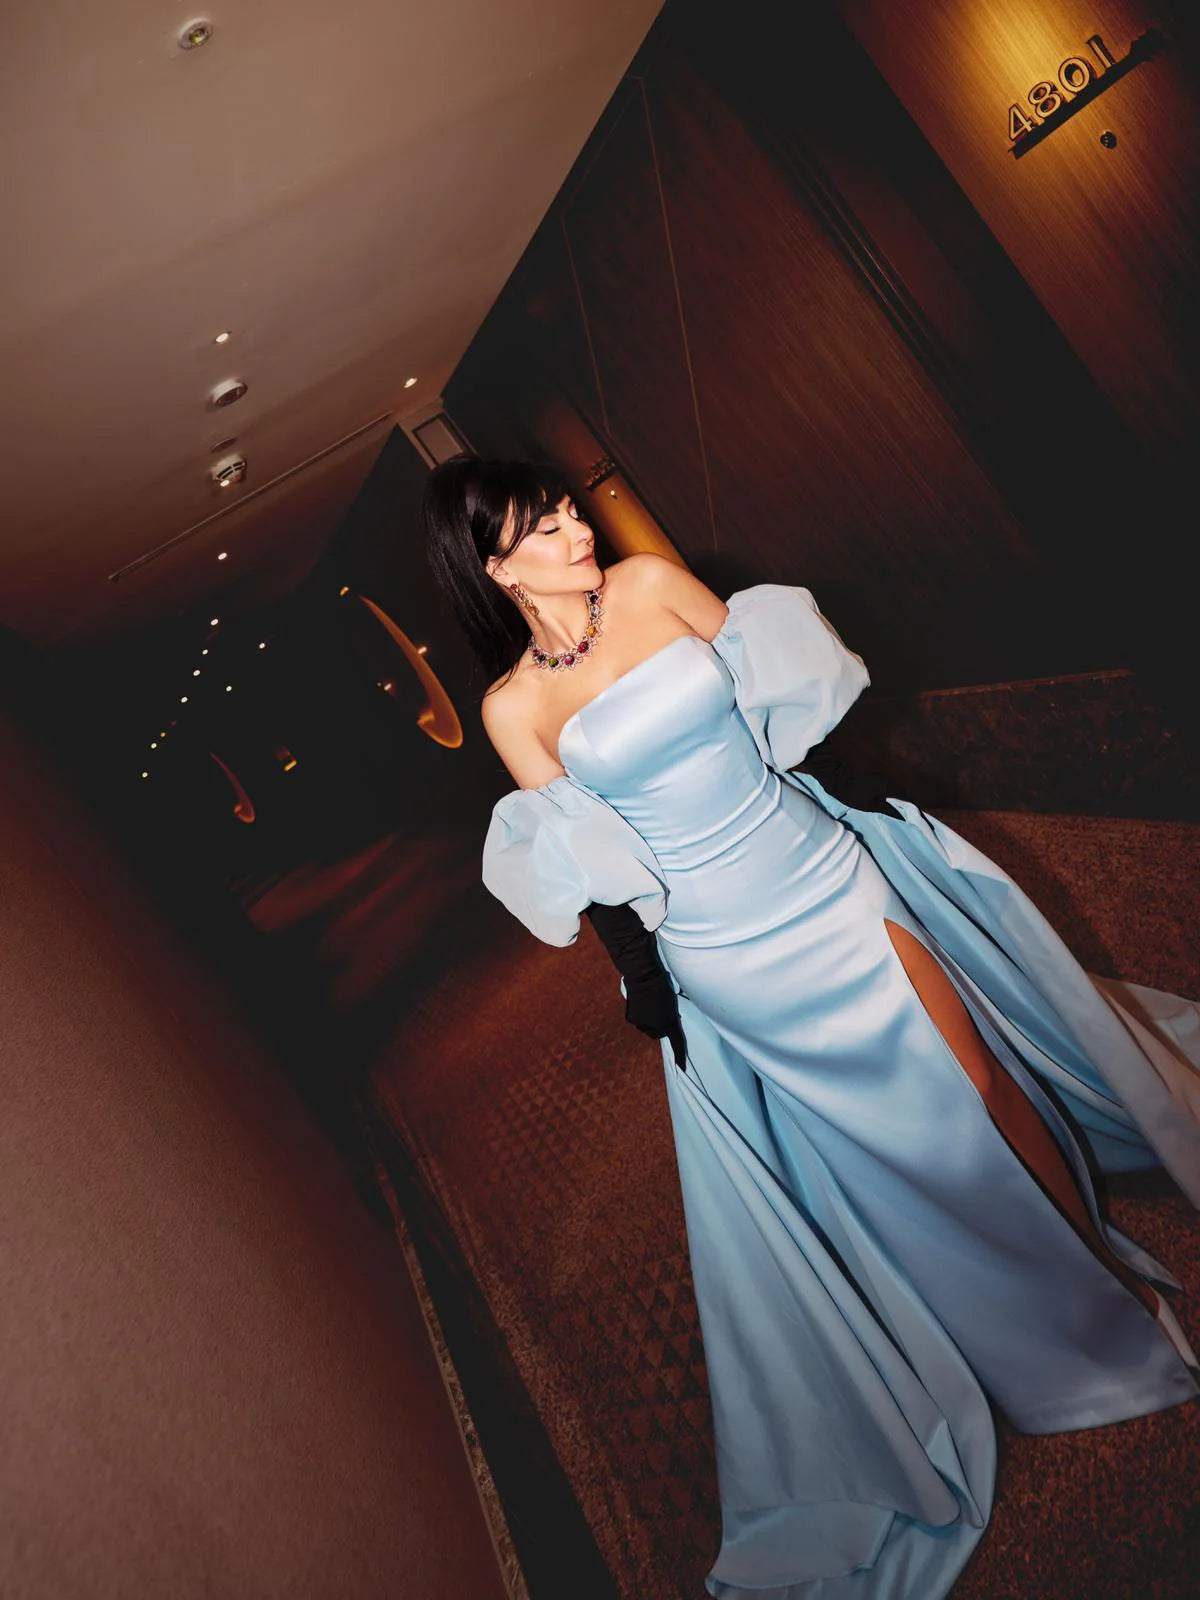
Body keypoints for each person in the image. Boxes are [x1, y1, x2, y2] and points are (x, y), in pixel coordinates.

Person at [423, 454, 1200, 1600]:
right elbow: (592, 871)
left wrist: (857, 785)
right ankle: (1042, 1336)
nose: (577, 530)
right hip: (725, 956)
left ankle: (1101, 1277)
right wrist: (644, 982)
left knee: (975, 1086)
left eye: (569, 508)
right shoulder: (512, 709)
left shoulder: (649, 585)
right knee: (898, 1153)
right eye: (544, 528)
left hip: (825, 877)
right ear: (496, 569)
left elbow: (774, 688)